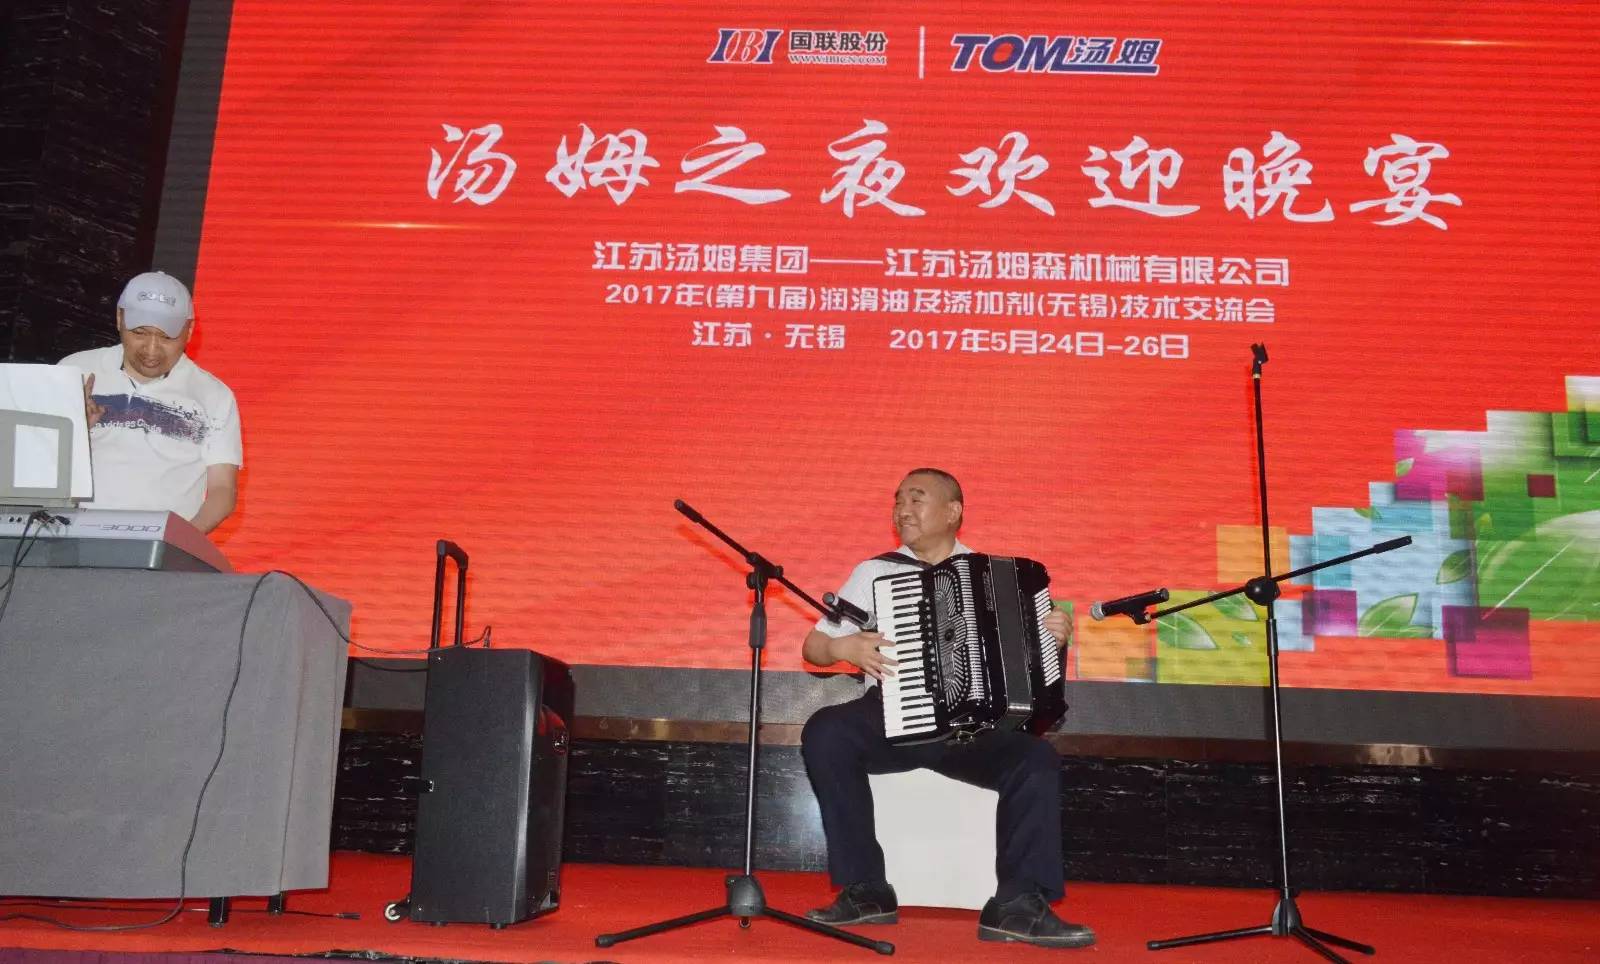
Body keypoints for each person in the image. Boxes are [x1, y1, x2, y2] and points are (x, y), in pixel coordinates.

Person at [800, 468, 1094, 949]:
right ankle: (867, 889)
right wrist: (842, 648)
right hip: (890, 715)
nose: (902, 510)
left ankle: (1017, 905)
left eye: (916, 499)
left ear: (953, 512)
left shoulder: (994, 578)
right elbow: (813, 647)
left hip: (968, 731)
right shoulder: (874, 572)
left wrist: (1052, 640)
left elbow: (1032, 674)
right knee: (826, 731)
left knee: (1036, 758)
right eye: (898, 501)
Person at [58, 271, 241, 533]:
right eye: (140, 333)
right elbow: (33, 465)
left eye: (167, 337)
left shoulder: (214, 395)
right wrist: (74, 431)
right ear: (119, 318)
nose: (151, 349)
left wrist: (179, 542)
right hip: (73, 537)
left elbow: (222, 489)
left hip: (161, 548)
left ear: (189, 331)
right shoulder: (74, 371)